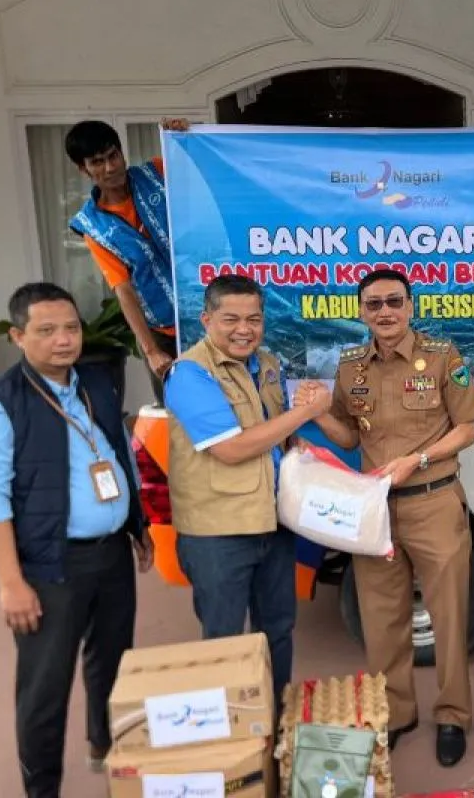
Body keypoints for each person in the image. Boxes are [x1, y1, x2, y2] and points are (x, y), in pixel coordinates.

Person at [0, 282, 153, 798]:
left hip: (110, 554)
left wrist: (136, 526)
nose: (64, 340)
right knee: (45, 688)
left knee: (113, 659)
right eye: (46, 330)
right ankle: (41, 789)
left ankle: (105, 747)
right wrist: (11, 583)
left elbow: (120, 454)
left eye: (70, 328)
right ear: (18, 336)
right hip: (50, 565)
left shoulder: (95, 384)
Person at [295, 270, 474, 767]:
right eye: (374, 304)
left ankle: (453, 715)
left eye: (394, 302)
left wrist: (417, 460)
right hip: (374, 509)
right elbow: (348, 436)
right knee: (382, 620)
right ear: (362, 311)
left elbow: (467, 429)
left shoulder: (442, 357)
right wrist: (318, 414)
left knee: (449, 618)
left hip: (433, 503)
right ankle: (397, 713)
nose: (385, 312)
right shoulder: (351, 366)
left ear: (410, 306)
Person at [164, 274, 331, 707]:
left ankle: (274, 719)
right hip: (218, 532)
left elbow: (270, 430)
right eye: (231, 319)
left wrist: (294, 441)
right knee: (225, 639)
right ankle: (235, 734)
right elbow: (231, 449)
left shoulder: (268, 363)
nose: (244, 330)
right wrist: (305, 414)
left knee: (278, 629)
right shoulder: (190, 374)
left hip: (272, 521)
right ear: (206, 320)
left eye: (254, 319)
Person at [65, 118, 189, 404]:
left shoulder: (157, 173)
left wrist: (183, 137)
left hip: (209, 317)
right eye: (97, 162)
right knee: (177, 414)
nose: (110, 168)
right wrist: (151, 351)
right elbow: (124, 290)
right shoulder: (93, 226)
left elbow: (201, 167)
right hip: (162, 333)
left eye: (113, 156)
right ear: (83, 169)